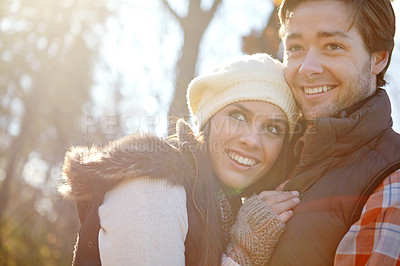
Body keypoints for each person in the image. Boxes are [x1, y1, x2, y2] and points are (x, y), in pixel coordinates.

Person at [59, 53, 301, 265]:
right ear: (207, 120)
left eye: (272, 128)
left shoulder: (224, 203)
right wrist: (244, 253)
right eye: (237, 116)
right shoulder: (154, 186)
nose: (252, 140)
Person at [242, 0, 400, 265]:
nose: (307, 68)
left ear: (379, 57)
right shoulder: (271, 153)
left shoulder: (391, 181)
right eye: (295, 48)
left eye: (333, 46)